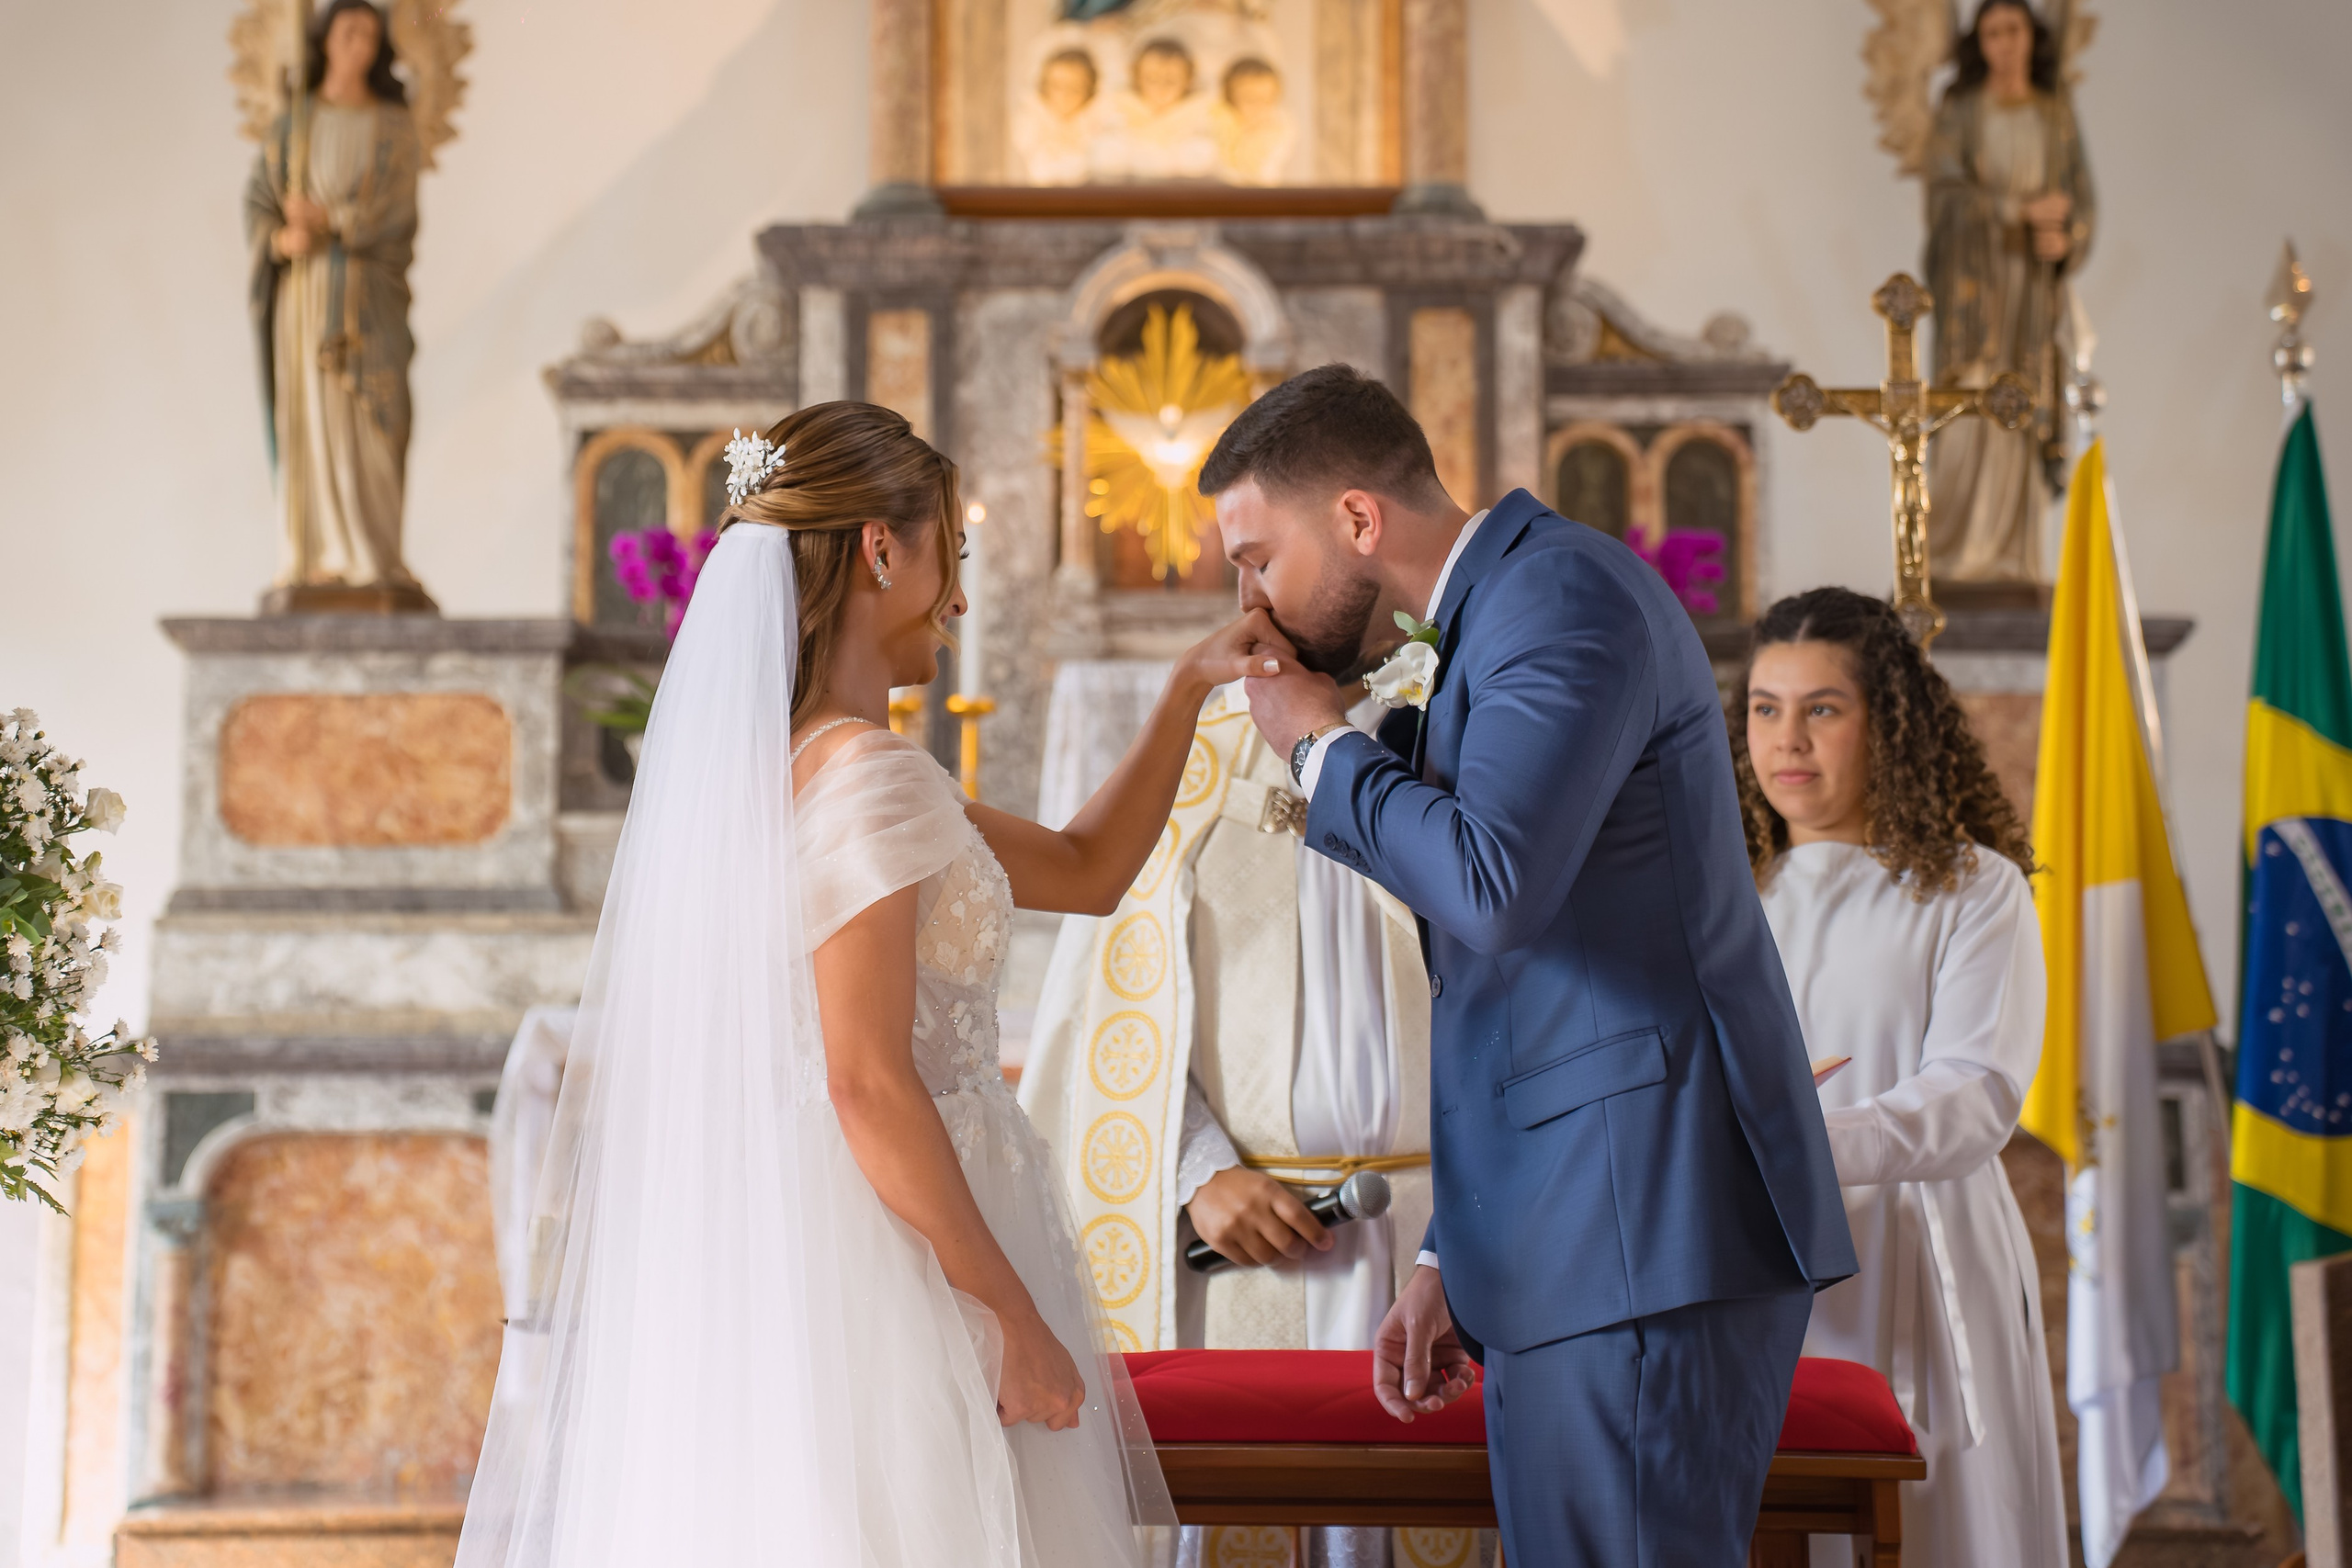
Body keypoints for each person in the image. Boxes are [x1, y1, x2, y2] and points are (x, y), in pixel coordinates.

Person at [454, 402, 1293, 1568]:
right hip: (899, 1260)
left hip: (825, 1238)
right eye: (949, 550)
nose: (957, 596)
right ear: (880, 550)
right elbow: (866, 1080)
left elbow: (1089, 871)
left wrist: (1185, 689)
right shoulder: (873, 779)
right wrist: (1008, 1313)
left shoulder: (786, 772)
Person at [1209, 364, 1856, 1568]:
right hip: (1584, 1223)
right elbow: (1524, 975)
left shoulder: (1558, 595)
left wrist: (1315, 742)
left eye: (1257, 557)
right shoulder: (1500, 614)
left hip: (1646, 1222)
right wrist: (1462, 1251)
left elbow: (1491, 888)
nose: (1251, 598)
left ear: (1357, 517)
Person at [1021, 691, 1474, 1568]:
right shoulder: (1196, 755)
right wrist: (1197, 1171)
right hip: (1251, 1241)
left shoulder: (1460, 725)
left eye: (1269, 555)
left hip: (1442, 1226)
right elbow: (1116, 1000)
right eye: (1242, 559)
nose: (1252, 589)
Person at [1733, 587, 2064, 1568]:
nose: (1787, 739)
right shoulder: (1716, 891)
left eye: (1822, 708)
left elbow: (1973, 1093)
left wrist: (1802, 1144)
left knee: (1933, 1528)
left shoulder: (1971, 888)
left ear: (1891, 724)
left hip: (1918, 1249)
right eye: (1764, 707)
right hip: (1744, 1262)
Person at [243, 0, 427, 603]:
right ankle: (314, 555)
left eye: (371, 36)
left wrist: (335, 221)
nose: (360, 46)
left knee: (375, 420)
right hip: (306, 301)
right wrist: (282, 237)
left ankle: (372, 555)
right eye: (349, 32)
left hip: (365, 300)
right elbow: (259, 205)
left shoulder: (394, 125)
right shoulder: (292, 126)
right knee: (313, 421)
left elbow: (399, 212)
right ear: (325, 41)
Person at [1922, 0, 2096, 584]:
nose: (2004, 43)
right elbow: (1943, 196)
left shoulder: (2054, 114)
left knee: (2021, 404)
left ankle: (2014, 559)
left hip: (2029, 294)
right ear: (1980, 42)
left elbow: (2081, 200)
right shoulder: (1961, 109)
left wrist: (2065, 233)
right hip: (1975, 288)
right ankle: (1951, 556)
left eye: (2013, 30)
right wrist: (2014, 209)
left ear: (2031, 36)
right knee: (1970, 402)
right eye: (1992, 32)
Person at [1092, 37, 1217, 182]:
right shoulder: (1114, 114)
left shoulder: (1205, 117)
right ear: (1136, 77)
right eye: (1151, 79)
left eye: (1170, 81)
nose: (1161, 88)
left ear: (1189, 80)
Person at [1014, 47, 1103, 186]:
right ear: (1044, 87)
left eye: (1074, 87)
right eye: (1057, 86)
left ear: (1090, 90)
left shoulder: (1102, 126)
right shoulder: (1031, 126)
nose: (1064, 94)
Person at [1211, 57, 1295, 186]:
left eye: (1266, 100)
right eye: (1249, 99)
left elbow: (1262, 172)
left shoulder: (1277, 128)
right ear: (1229, 102)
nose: (1259, 107)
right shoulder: (1216, 123)